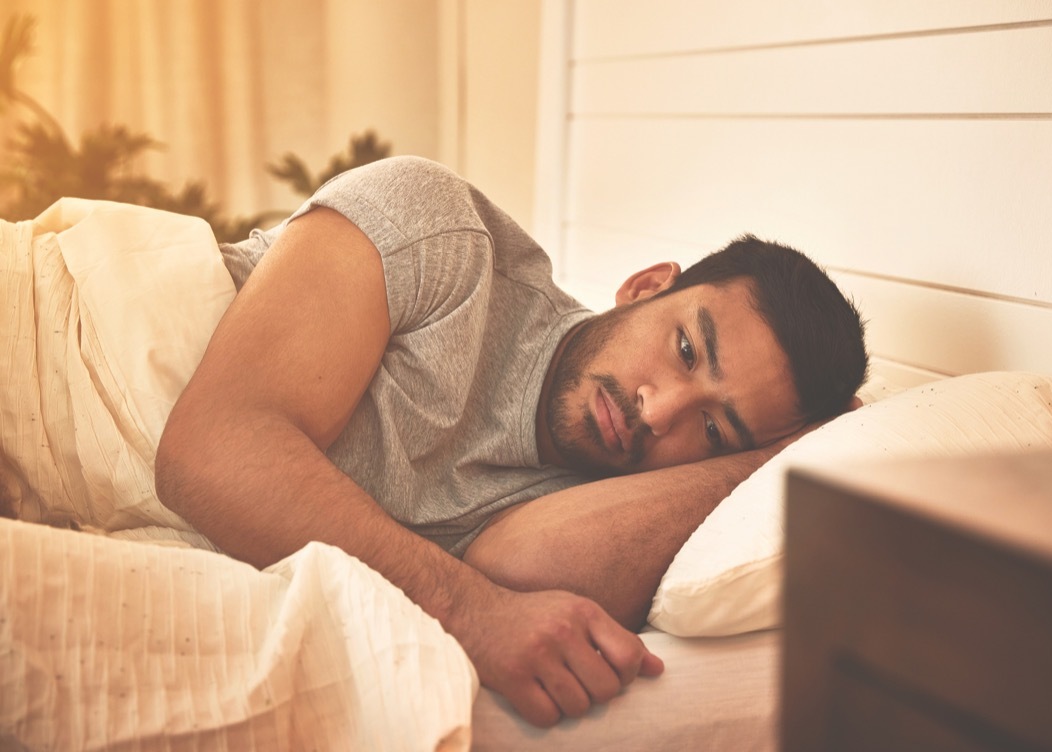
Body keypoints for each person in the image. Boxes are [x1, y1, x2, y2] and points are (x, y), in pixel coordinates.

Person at [153, 156, 868, 727]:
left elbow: (514, 570)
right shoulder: (444, 233)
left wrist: (779, 456)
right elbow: (211, 450)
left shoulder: (612, 504)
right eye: (685, 348)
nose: (660, 413)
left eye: (713, 429)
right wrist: (469, 611)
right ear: (646, 286)